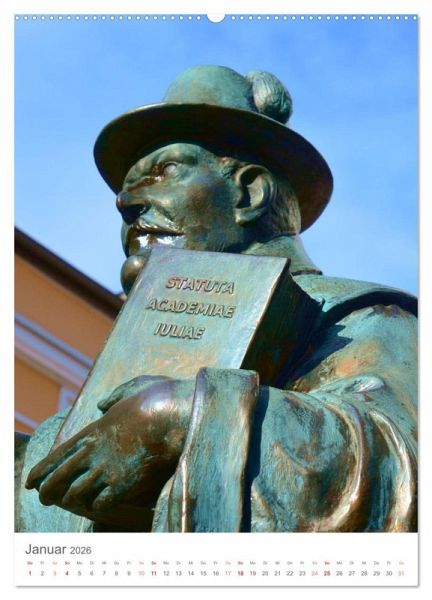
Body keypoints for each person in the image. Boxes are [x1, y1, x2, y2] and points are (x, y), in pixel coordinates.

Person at [18, 66, 417, 533]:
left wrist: (183, 417)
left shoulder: (365, 319)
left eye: (166, 171)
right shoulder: (128, 356)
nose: (125, 202)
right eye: (128, 186)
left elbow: (401, 465)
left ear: (249, 192)